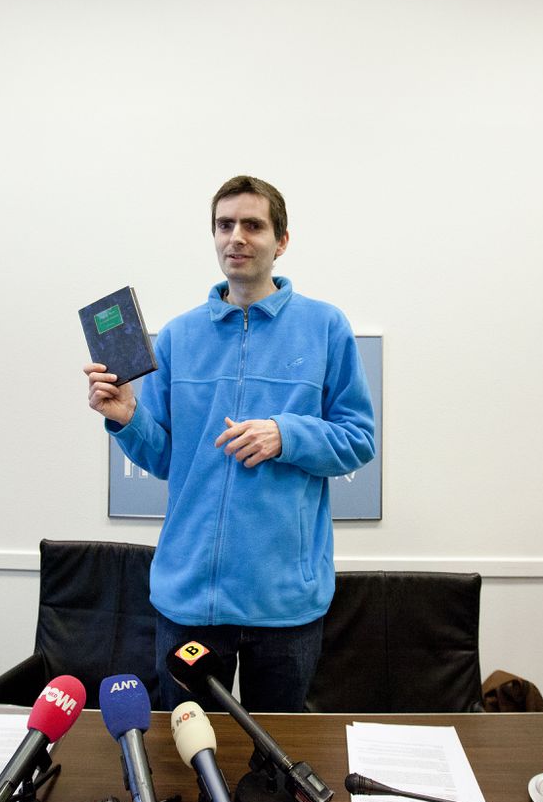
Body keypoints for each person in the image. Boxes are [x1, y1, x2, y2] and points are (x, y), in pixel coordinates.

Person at [84, 176, 375, 712]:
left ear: (281, 240)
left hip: (284, 604)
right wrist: (128, 419)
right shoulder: (177, 336)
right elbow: (169, 459)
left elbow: (359, 440)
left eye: (253, 225)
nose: (236, 237)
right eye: (224, 225)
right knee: (192, 758)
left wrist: (286, 434)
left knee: (277, 766)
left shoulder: (325, 327)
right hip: (189, 599)